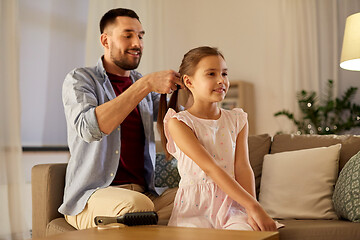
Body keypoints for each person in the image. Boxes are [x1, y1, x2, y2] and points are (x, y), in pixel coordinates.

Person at [59, 8, 183, 229]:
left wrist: (192, 86)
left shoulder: (142, 86)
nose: (137, 43)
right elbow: (89, 128)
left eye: (141, 36)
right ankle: (145, 221)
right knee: (136, 207)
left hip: (146, 195)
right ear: (105, 40)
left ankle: (146, 223)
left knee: (197, 199)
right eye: (128, 35)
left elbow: (177, 119)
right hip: (93, 197)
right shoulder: (80, 79)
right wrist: (144, 85)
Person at [157, 46, 283, 231]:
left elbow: (242, 167)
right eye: (211, 74)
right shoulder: (179, 122)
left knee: (249, 233)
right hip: (195, 209)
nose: (221, 80)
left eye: (224, 73)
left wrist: (251, 208)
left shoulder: (237, 119)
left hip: (233, 206)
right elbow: (210, 168)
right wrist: (254, 206)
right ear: (189, 81)